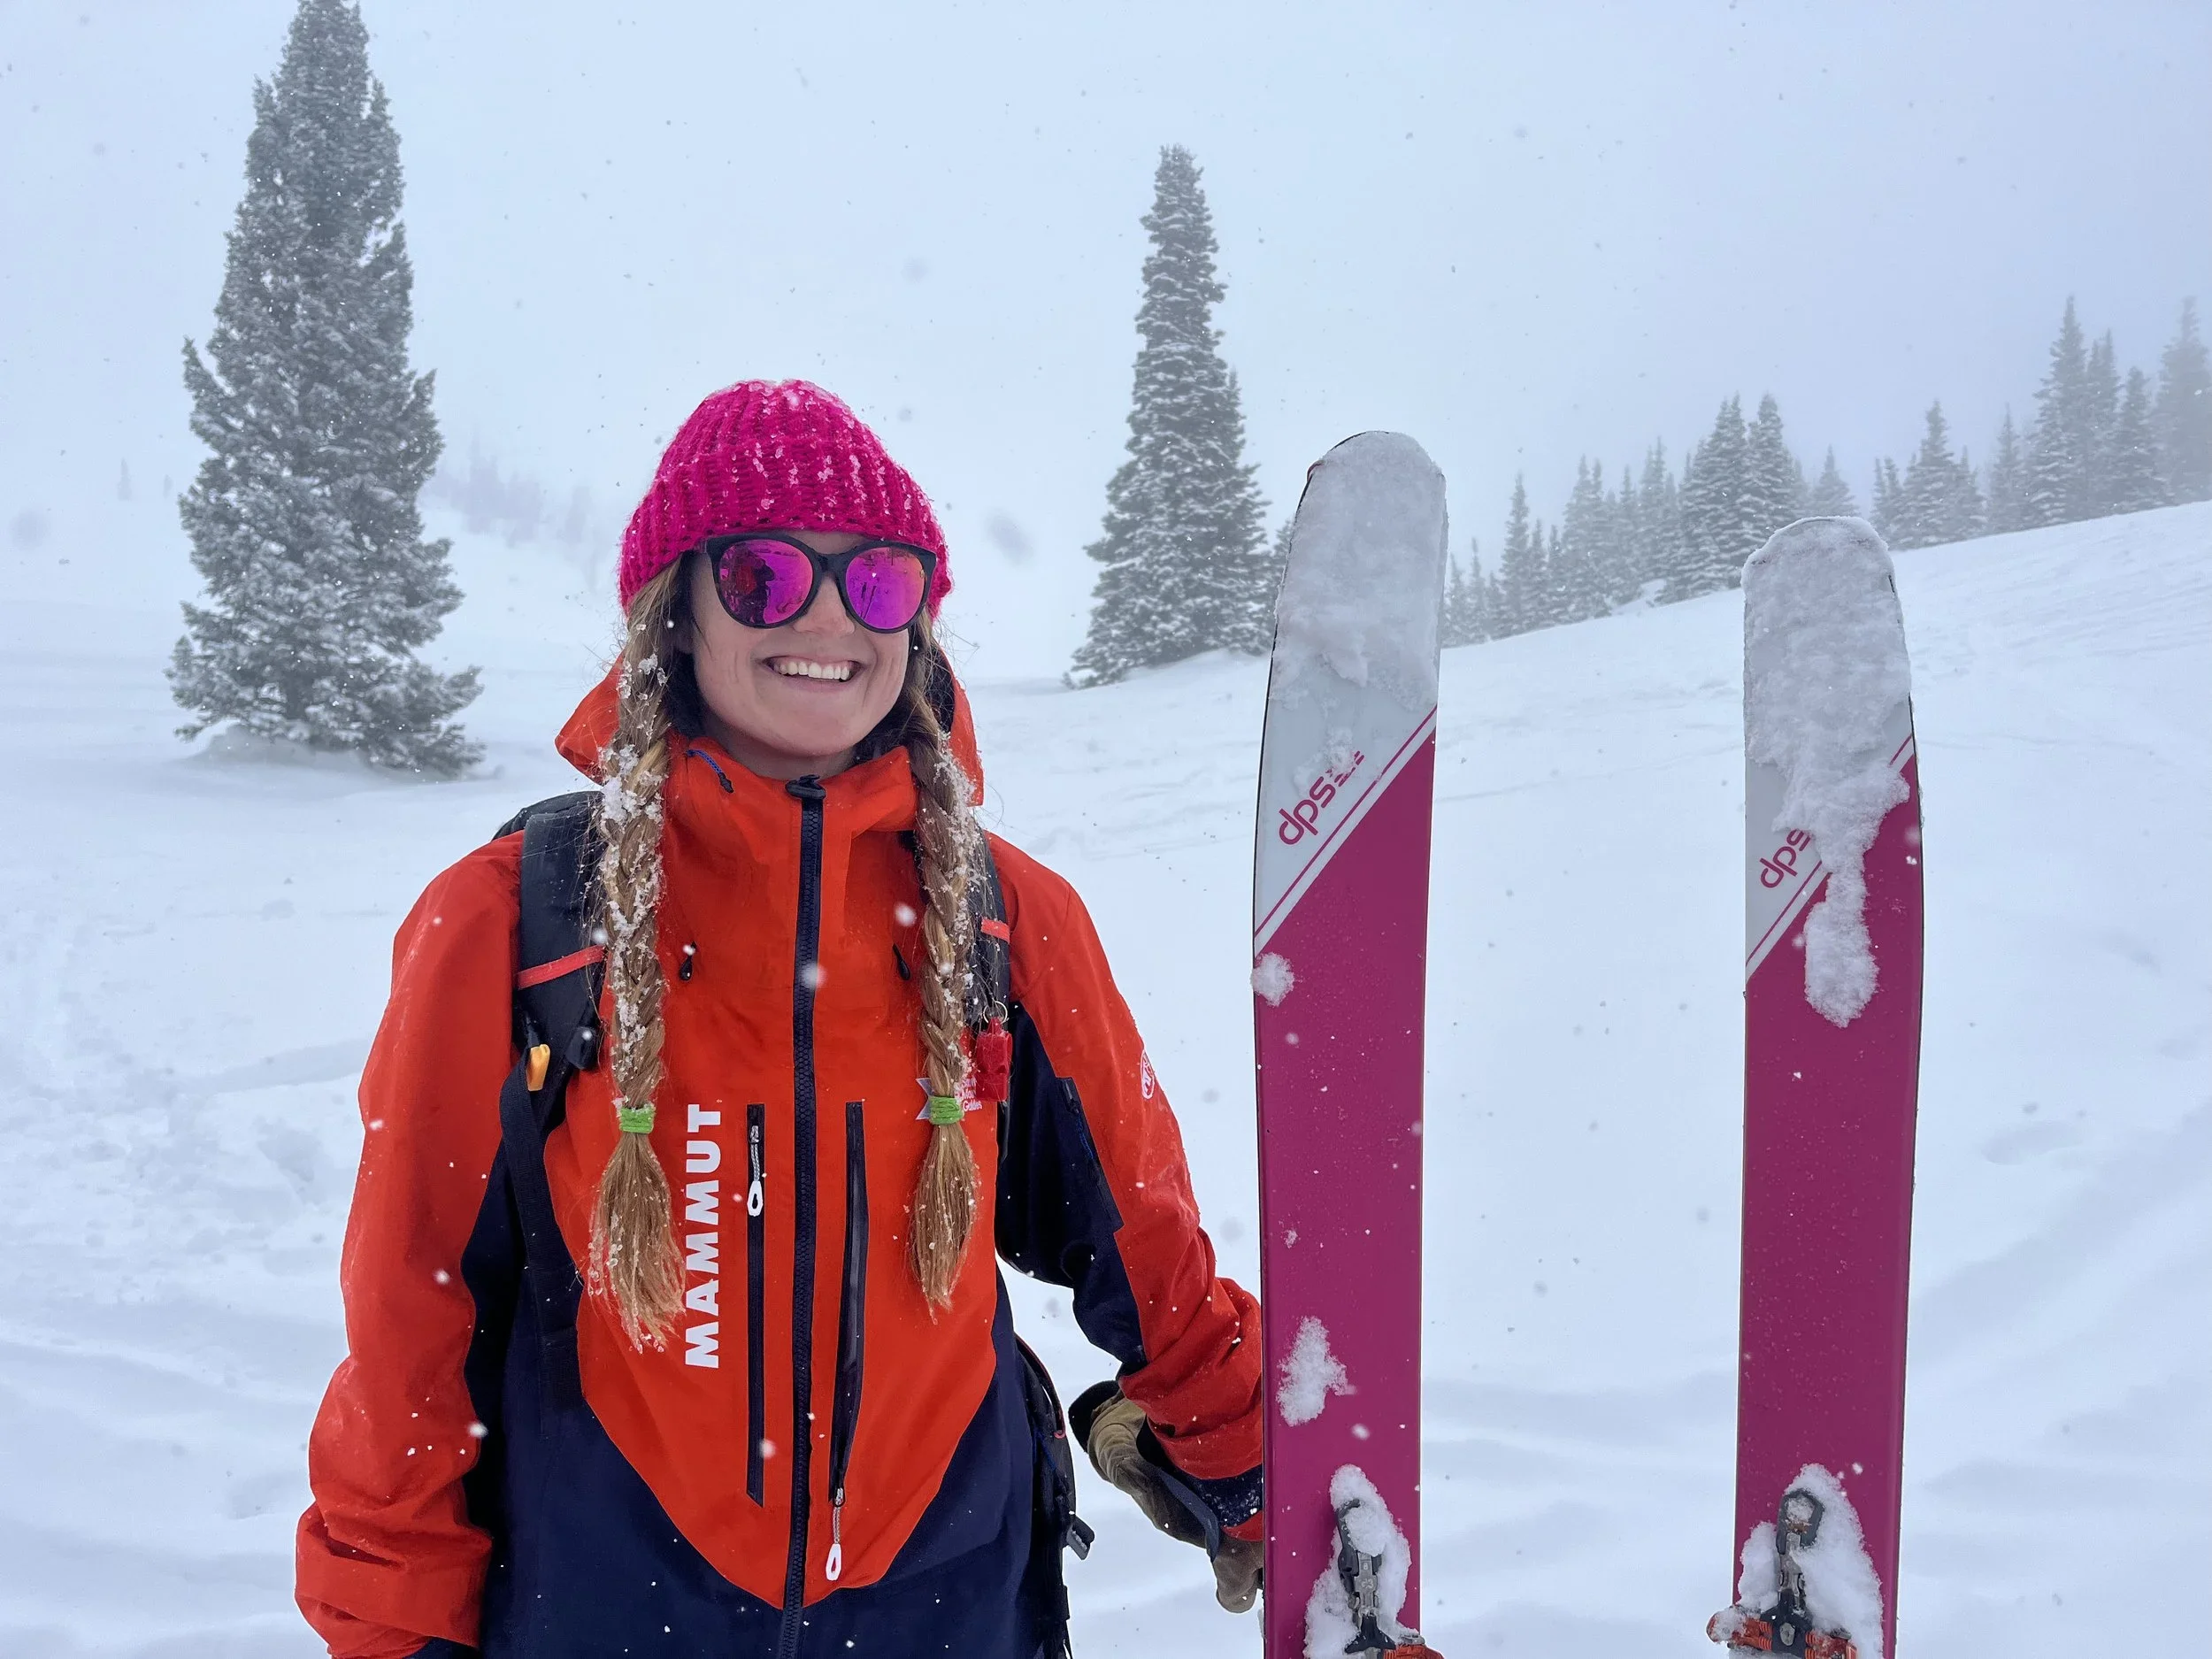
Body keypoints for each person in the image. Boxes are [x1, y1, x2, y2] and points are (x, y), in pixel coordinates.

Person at [296, 380, 1264, 1659]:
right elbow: (411, 1325)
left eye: (876, 583)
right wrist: (394, 1627)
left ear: (918, 621)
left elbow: (1139, 1240)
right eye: (762, 576)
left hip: (949, 1606)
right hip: (603, 1610)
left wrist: (1249, 1457)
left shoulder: (1006, 918)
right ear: (678, 613)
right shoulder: (515, 921)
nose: (825, 618)